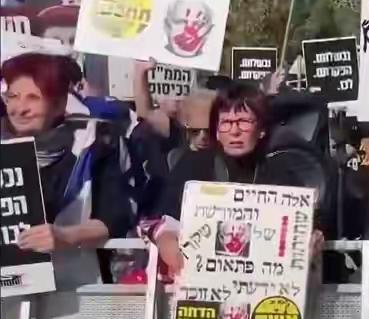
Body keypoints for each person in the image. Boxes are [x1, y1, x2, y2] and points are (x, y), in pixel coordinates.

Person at [0, 53, 132, 319]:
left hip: (73, 294)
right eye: (13, 96)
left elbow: (114, 217)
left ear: (60, 103)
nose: (20, 108)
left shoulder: (95, 143)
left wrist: (65, 236)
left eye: (33, 98)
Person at [148, 83, 326, 275]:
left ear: (262, 129)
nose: (234, 131)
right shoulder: (194, 165)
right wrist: (165, 238)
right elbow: (160, 217)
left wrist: (310, 238)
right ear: (217, 130)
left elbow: (307, 221)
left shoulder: (279, 173)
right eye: (226, 122)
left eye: (243, 122)